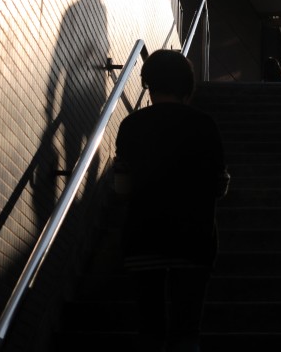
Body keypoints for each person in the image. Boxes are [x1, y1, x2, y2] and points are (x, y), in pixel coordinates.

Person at [113, 49, 230, 352]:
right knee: (186, 331)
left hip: (142, 238)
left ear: (148, 84)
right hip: (194, 240)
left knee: (149, 331)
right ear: (187, 86)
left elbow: (122, 186)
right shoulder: (204, 125)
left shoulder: (131, 126)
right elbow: (219, 185)